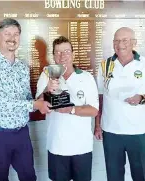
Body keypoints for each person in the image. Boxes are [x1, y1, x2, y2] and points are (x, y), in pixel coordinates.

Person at [0, 18, 51, 181]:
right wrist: (34, 104)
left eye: (16, 34)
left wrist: (46, 94)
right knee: (1, 178)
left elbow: (27, 101)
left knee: (29, 177)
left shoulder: (22, 66)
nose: (12, 38)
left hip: (21, 133)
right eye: (7, 33)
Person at [94, 27, 145, 181]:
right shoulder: (105, 65)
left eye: (125, 40)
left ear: (134, 43)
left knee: (142, 177)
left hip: (138, 132)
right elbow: (100, 97)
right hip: (111, 132)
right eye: (116, 40)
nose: (120, 44)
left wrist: (141, 99)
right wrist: (97, 125)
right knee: (114, 177)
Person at [36, 36, 99, 181]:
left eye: (66, 51)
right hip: (56, 146)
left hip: (82, 147)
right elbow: (40, 108)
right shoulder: (46, 75)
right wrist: (48, 88)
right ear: (53, 56)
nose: (62, 56)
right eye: (57, 52)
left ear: (73, 54)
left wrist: (71, 110)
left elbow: (94, 110)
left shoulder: (87, 77)